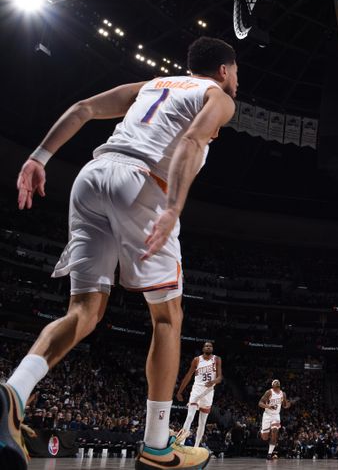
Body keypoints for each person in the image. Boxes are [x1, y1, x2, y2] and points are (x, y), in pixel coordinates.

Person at [2, 36, 238, 470]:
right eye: (236, 72)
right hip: (142, 185)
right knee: (167, 317)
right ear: (224, 70)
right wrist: (173, 207)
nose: (235, 81)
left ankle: (14, 392)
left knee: (84, 312)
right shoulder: (217, 96)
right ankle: (155, 446)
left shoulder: (152, 84)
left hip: (90, 178)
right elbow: (189, 140)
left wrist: (39, 157)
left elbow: (83, 109)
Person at [176, 341, 223, 446]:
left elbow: (220, 377)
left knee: (202, 422)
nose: (208, 347)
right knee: (190, 416)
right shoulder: (197, 360)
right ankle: (181, 443)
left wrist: (213, 381)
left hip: (208, 392)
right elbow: (188, 375)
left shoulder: (217, 359)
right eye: (206, 346)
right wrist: (180, 391)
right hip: (197, 389)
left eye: (210, 346)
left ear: (212, 348)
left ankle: (196, 446)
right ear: (203, 348)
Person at [259, 379, 291, 460]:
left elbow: (284, 405)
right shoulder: (269, 392)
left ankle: (269, 454)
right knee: (265, 437)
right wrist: (269, 406)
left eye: (278, 384)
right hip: (267, 415)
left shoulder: (283, 394)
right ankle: (263, 431)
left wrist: (288, 405)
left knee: (274, 432)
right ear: (272, 386)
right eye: (275, 384)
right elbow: (260, 403)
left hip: (276, 416)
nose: (276, 385)